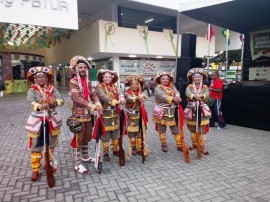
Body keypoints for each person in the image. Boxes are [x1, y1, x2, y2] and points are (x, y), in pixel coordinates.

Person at [25, 66, 64, 181]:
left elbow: (61, 100)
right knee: (36, 145)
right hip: (38, 121)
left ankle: (49, 164)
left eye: (43, 76)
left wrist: (55, 102)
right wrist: (39, 106)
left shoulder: (53, 89)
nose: (41, 79)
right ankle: (35, 169)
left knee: (51, 145)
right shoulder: (32, 90)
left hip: (52, 119)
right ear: (35, 79)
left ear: (47, 78)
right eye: (38, 77)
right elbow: (30, 102)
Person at [68, 55, 103, 174]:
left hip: (88, 116)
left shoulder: (87, 82)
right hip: (78, 115)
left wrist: (97, 103)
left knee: (87, 136)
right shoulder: (72, 82)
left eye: (84, 67)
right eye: (80, 67)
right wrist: (91, 106)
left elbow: (94, 94)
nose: (83, 69)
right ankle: (77, 164)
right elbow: (77, 98)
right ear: (76, 69)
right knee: (78, 138)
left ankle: (85, 157)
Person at [95, 69, 126, 162]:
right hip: (105, 114)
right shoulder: (99, 87)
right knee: (105, 134)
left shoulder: (114, 86)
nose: (107, 78)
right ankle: (105, 153)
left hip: (115, 113)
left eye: (109, 77)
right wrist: (116, 102)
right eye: (105, 77)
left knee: (115, 132)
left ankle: (115, 149)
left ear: (112, 78)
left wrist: (121, 97)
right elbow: (104, 97)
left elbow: (120, 92)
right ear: (102, 78)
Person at [152, 72, 183, 152]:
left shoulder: (172, 86)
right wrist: (173, 99)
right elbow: (161, 96)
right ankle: (164, 144)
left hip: (172, 111)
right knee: (162, 129)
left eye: (167, 79)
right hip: (161, 111)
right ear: (160, 80)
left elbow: (176, 91)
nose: (165, 80)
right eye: (163, 79)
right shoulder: (158, 88)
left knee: (175, 128)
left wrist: (177, 96)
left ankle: (179, 144)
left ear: (169, 80)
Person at [185, 68, 211, 155]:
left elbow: (207, 94)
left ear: (202, 78)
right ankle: (194, 144)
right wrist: (194, 96)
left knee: (202, 130)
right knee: (192, 129)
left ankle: (203, 147)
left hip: (202, 109)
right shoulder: (189, 87)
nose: (197, 79)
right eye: (195, 77)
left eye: (199, 77)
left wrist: (201, 96)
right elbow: (187, 93)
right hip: (192, 109)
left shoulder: (205, 87)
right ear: (192, 78)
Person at [124, 75, 148, 156]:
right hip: (131, 116)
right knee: (131, 133)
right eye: (132, 84)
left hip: (140, 116)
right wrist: (138, 98)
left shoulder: (141, 92)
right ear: (130, 85)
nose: (134, 85)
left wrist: (143, 97)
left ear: (138, 85)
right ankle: (133, 147)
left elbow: (145, 97)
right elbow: (129, 99)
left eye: (136, 84)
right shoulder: (127, 93)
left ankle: (140, 148)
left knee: (139, 133)